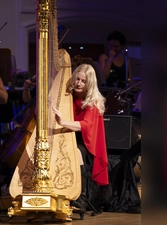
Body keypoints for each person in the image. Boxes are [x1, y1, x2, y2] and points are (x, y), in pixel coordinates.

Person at [52, 64, 109, 214]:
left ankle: (81, 198)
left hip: (87, 145)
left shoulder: (94, 103)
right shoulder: (66, 96)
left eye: (83, 81)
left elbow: (86, 125)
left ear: (89, 84)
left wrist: (63, 123)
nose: (78, 83)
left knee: (75, 152)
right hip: (68, 138)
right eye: (77, 79)